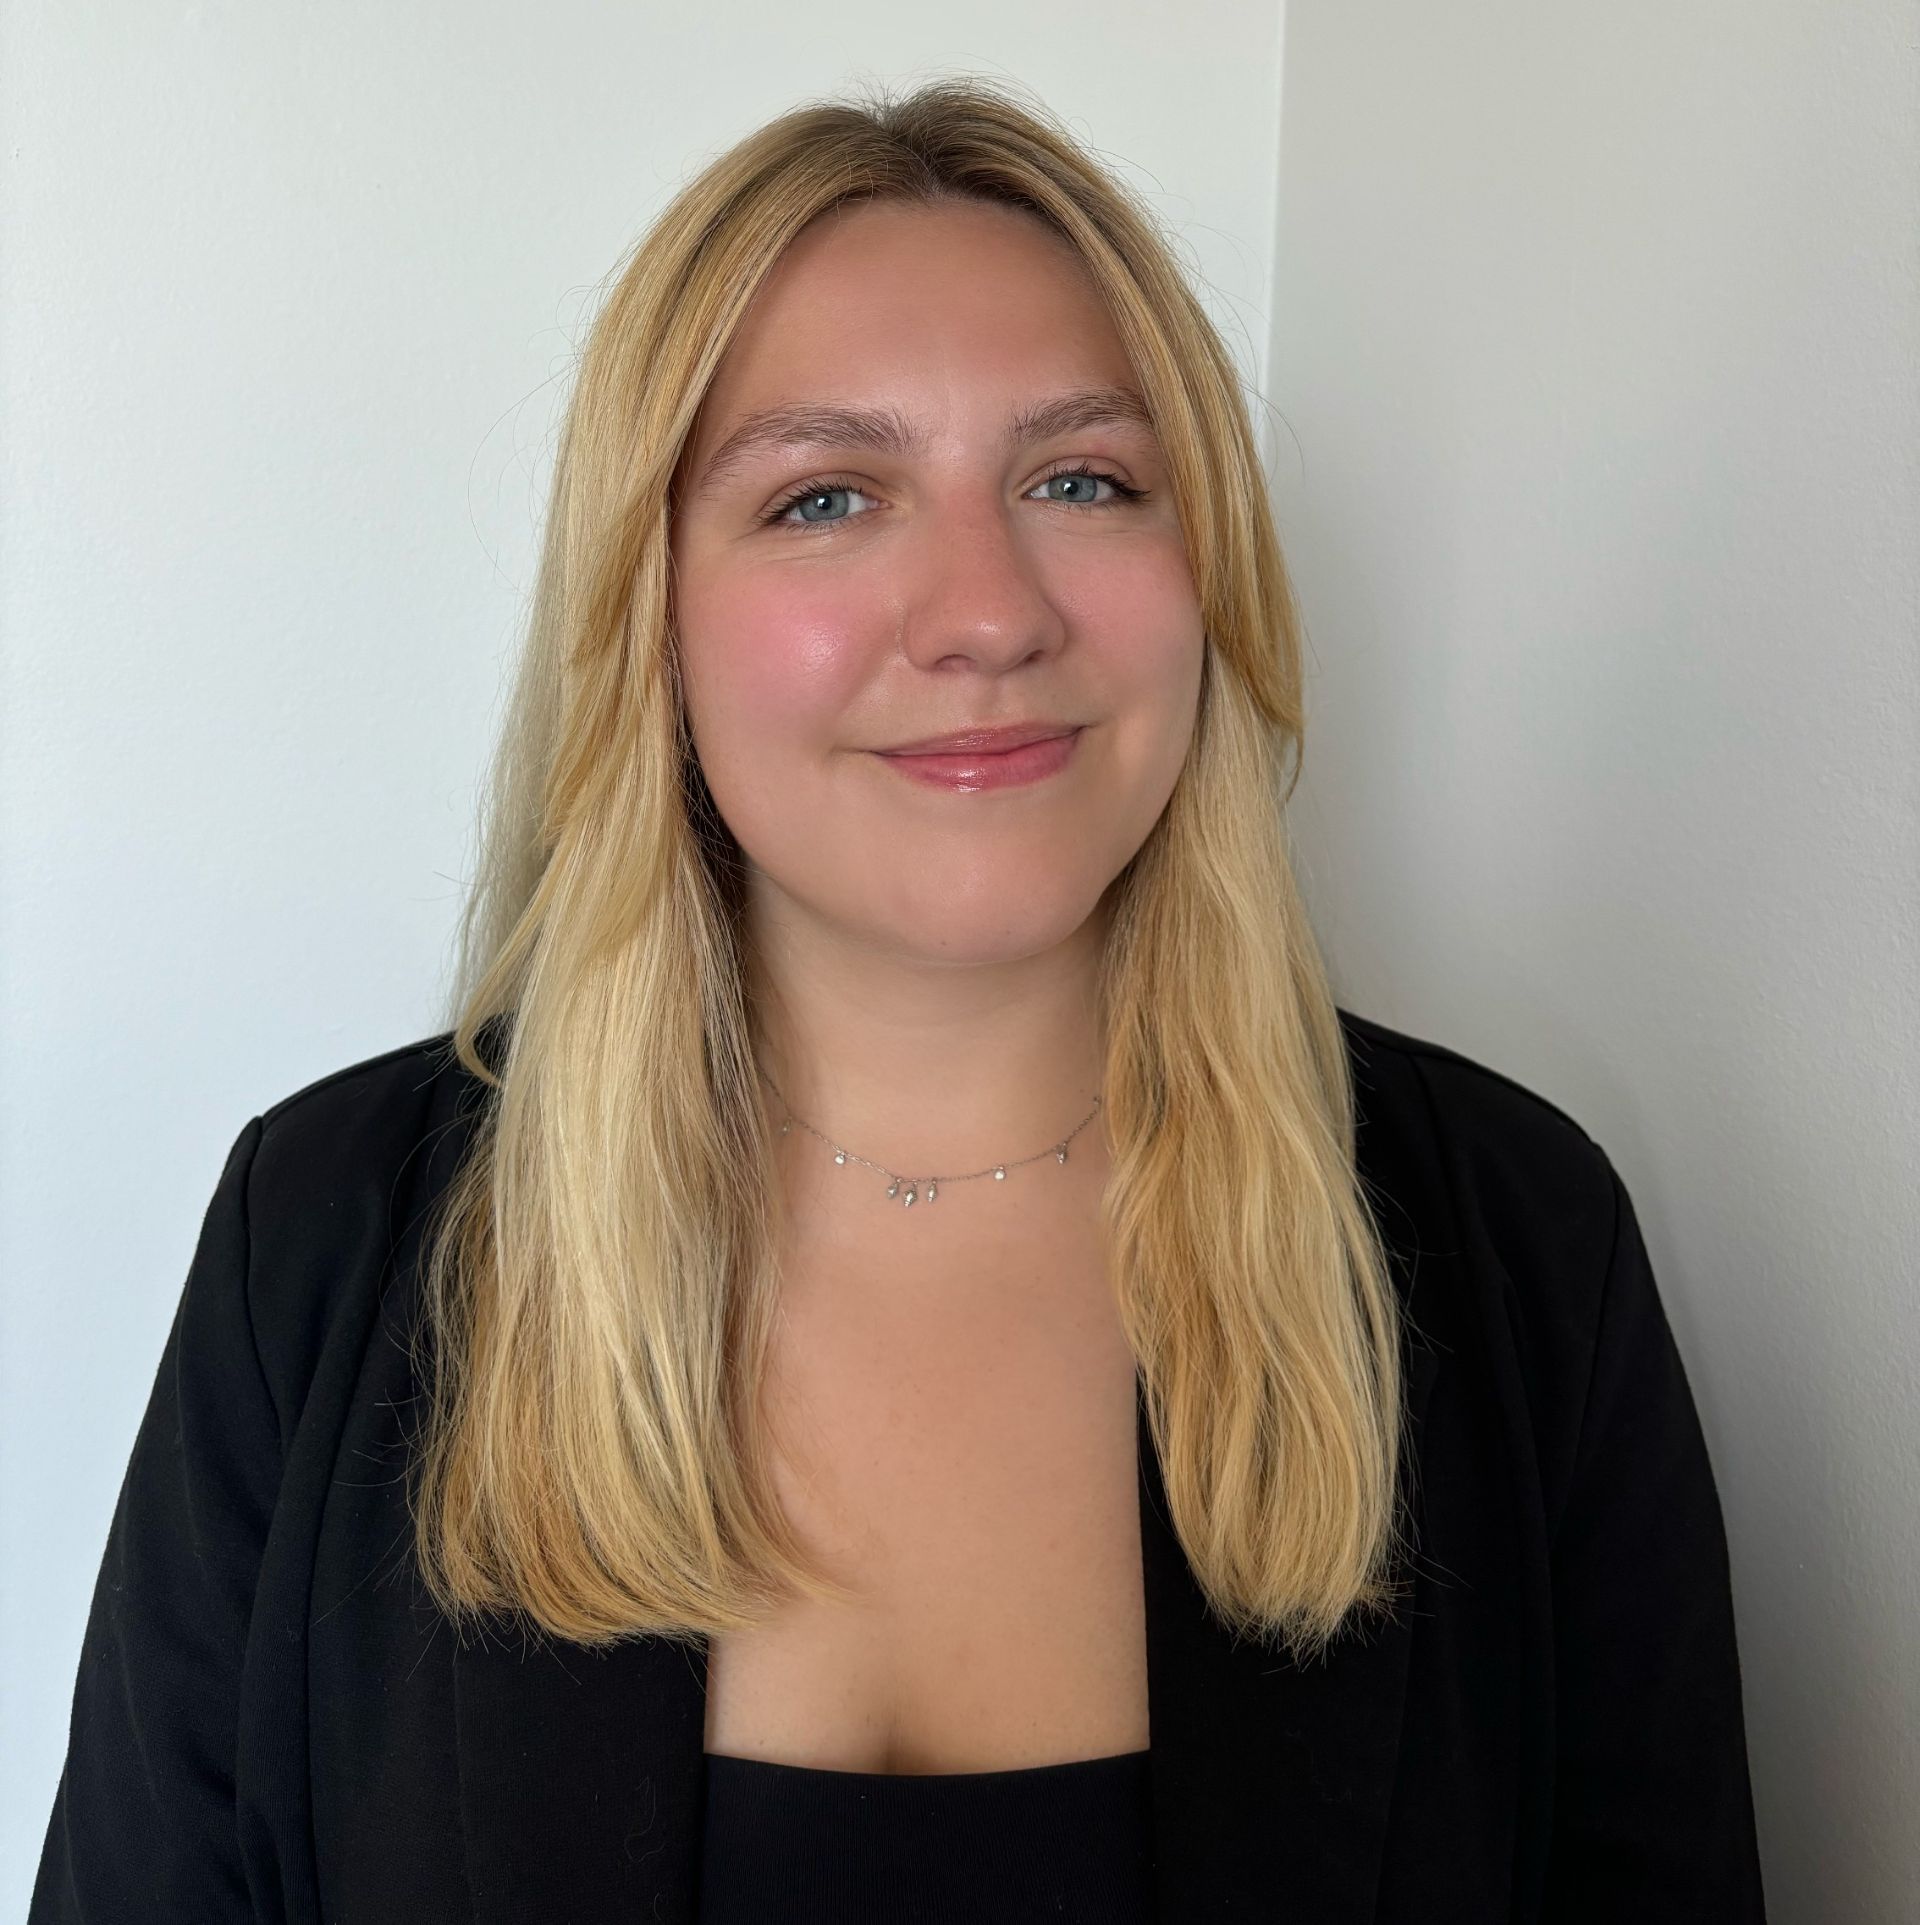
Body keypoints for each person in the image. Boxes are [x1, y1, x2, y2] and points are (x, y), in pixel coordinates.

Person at [29, 75, 1766, 1923]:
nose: (986, 613)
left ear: (1208, 571)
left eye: (1082, 479)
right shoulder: (323, 1239)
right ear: (648, 612)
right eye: (827, 496)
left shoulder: (1517, 1247)